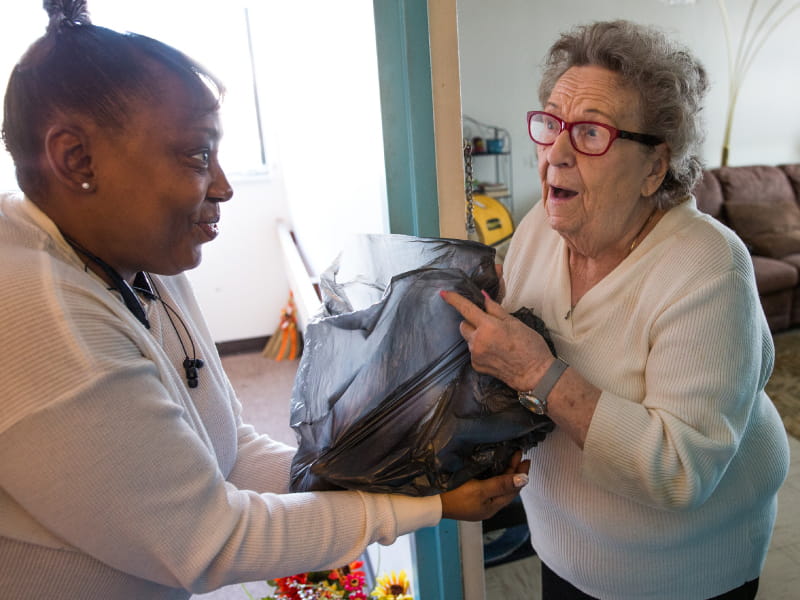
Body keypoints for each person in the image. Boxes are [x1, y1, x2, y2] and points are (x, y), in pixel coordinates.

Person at [0, 2, 530, 598]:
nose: (224, 186)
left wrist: (392, 476)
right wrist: (424, 507)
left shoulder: (137, 262)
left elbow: (227, 450)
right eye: (197, 155)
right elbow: (209, 541)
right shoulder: (42, 318)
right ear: (76, 158)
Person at [442, 19, 791, 600]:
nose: (555, 153)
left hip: (685, 576)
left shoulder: (708, 266)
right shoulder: (539, 228)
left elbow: (680, 470)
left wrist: (539, 373)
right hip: (563, 548)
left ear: (655, 166)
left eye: (590, 133)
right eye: (551, 124)